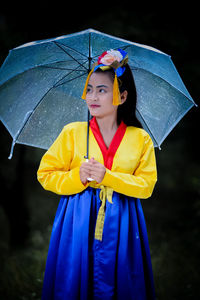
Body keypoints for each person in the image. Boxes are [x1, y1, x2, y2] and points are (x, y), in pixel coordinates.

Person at [37, 49, 157, 300]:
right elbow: (45, 174)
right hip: (78, 219)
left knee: (123, 282)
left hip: (124, 218)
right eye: (89, 89)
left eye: (102, 90)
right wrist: (76, 177)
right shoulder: (72, 132)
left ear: (122, 96)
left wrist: (109, 178)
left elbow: (146, 186)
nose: (92, 96)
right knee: (74, 282)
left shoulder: (140, 138)